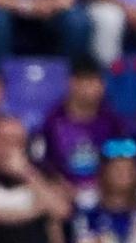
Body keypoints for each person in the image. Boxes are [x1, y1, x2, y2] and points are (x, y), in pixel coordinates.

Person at [34, 59, 128, 198]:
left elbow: (122, 160)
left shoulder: (113, 123)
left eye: (98, 82)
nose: (94, 88)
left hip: (104, 195)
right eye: (88, 82)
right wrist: (60, 185)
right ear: (72, 83)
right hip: (62, 193)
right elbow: (43, 163)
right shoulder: (51, 123)